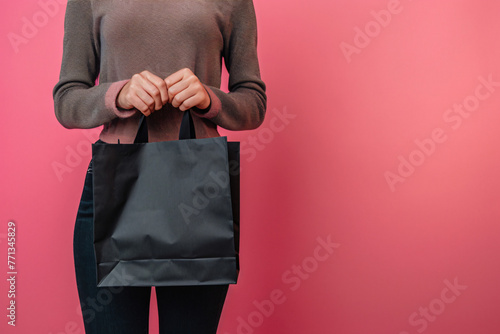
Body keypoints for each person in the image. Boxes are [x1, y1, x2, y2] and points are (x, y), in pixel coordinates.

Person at [52, 0, 267, 333]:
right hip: (114, 193)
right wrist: (118, 96)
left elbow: (254, 101)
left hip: (198, 197)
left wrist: (211, 99)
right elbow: (66, 100)